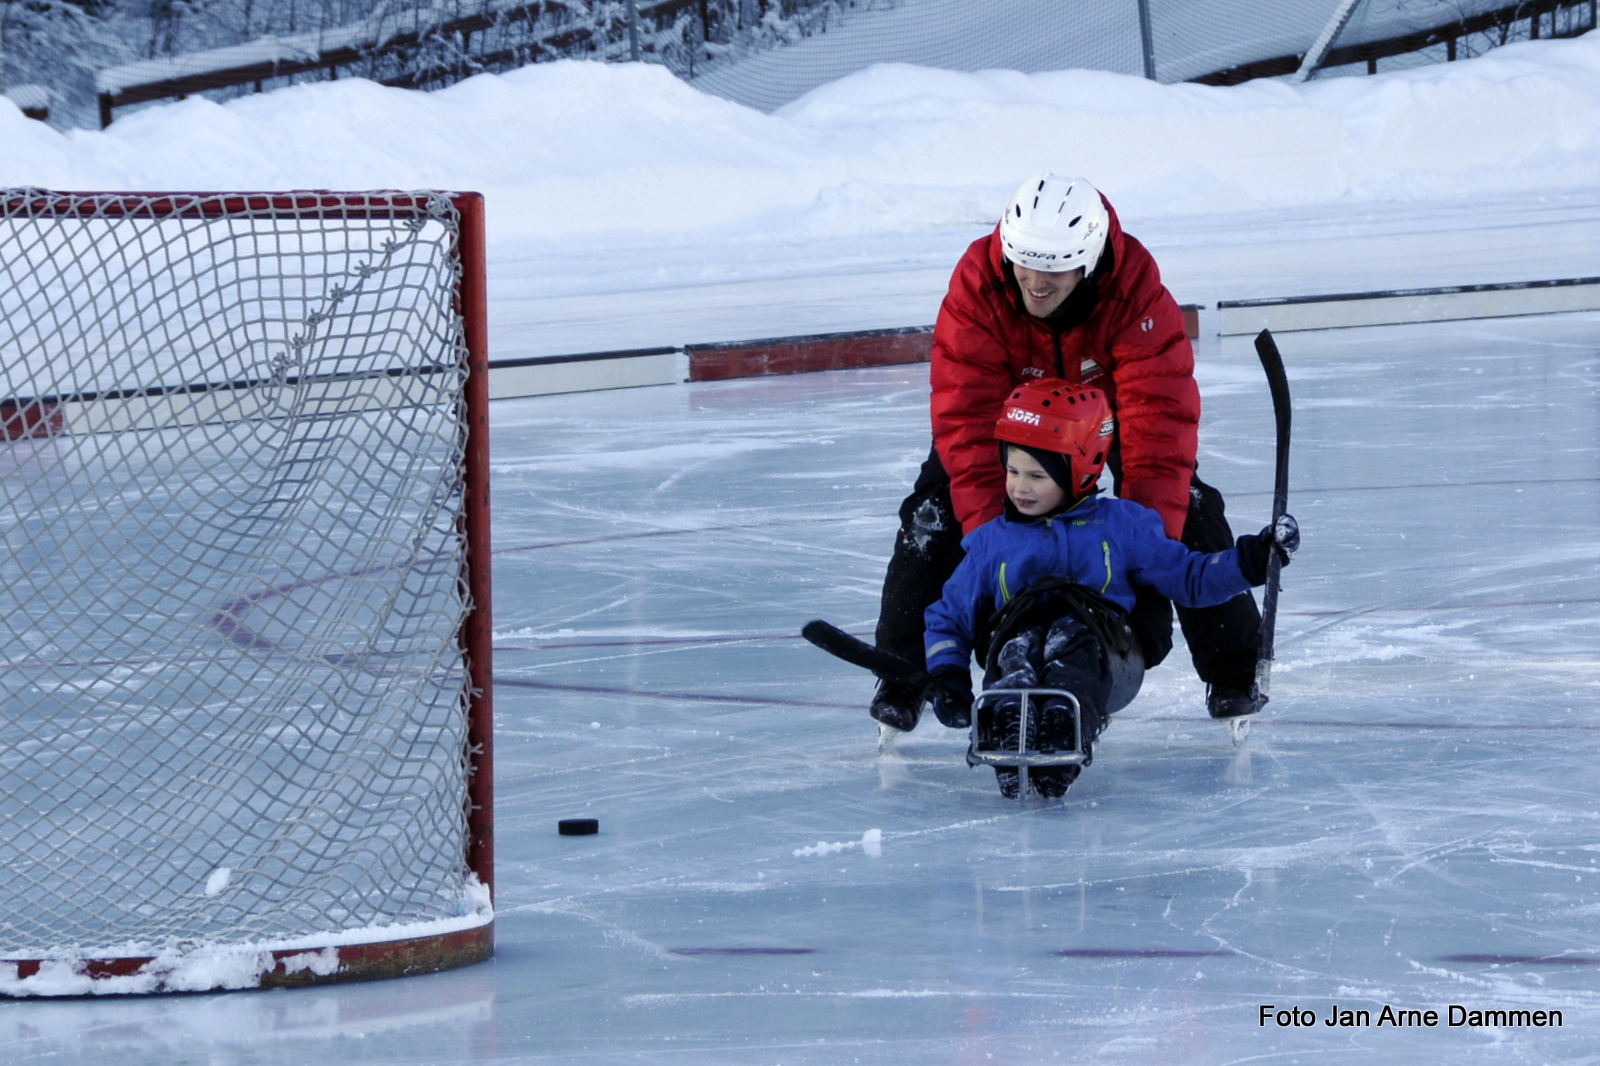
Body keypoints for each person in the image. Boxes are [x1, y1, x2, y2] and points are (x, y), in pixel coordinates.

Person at [872, 171, 1264, 733]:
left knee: (1190, 501)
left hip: (1102, 420)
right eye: (1023, 263)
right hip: (1012, 422)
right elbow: (966, 421)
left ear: (1089, 259)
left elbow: (1159, 433)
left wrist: (1148, 565)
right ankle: (903, 672)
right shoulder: (978, 287)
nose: (1034, 281)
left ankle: (1232, 670)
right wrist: (991, 547)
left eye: (1053, 270)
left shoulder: (1134, 292)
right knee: (934, 508)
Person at [920, 380, 1298, 798]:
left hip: (1108, 654)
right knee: (1018, 646)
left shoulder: (1122, 526)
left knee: (1072, 642)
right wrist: (948, 676)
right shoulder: (994, 541)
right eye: (1012, 471)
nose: (1020, 487)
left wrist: (1252, 558)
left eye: (1037, 475)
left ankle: (1068, 723)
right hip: (1020, 644)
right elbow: (948, 616)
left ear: (1079, 470)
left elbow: (1190, 578)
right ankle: (1010, 717)